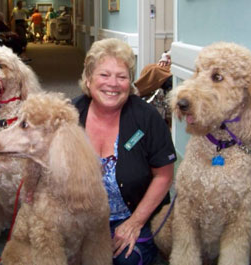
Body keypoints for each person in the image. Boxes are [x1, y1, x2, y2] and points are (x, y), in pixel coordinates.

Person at [72, 38, 177, 265]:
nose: (113, 84)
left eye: (122, 76)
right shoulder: (70, 115)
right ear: (88, 79)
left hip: (132, 216)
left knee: (126, 260)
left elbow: (164, 175)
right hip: (80, 219)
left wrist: (135, 223)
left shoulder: (147, 117)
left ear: (129, 83)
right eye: (104, 75)